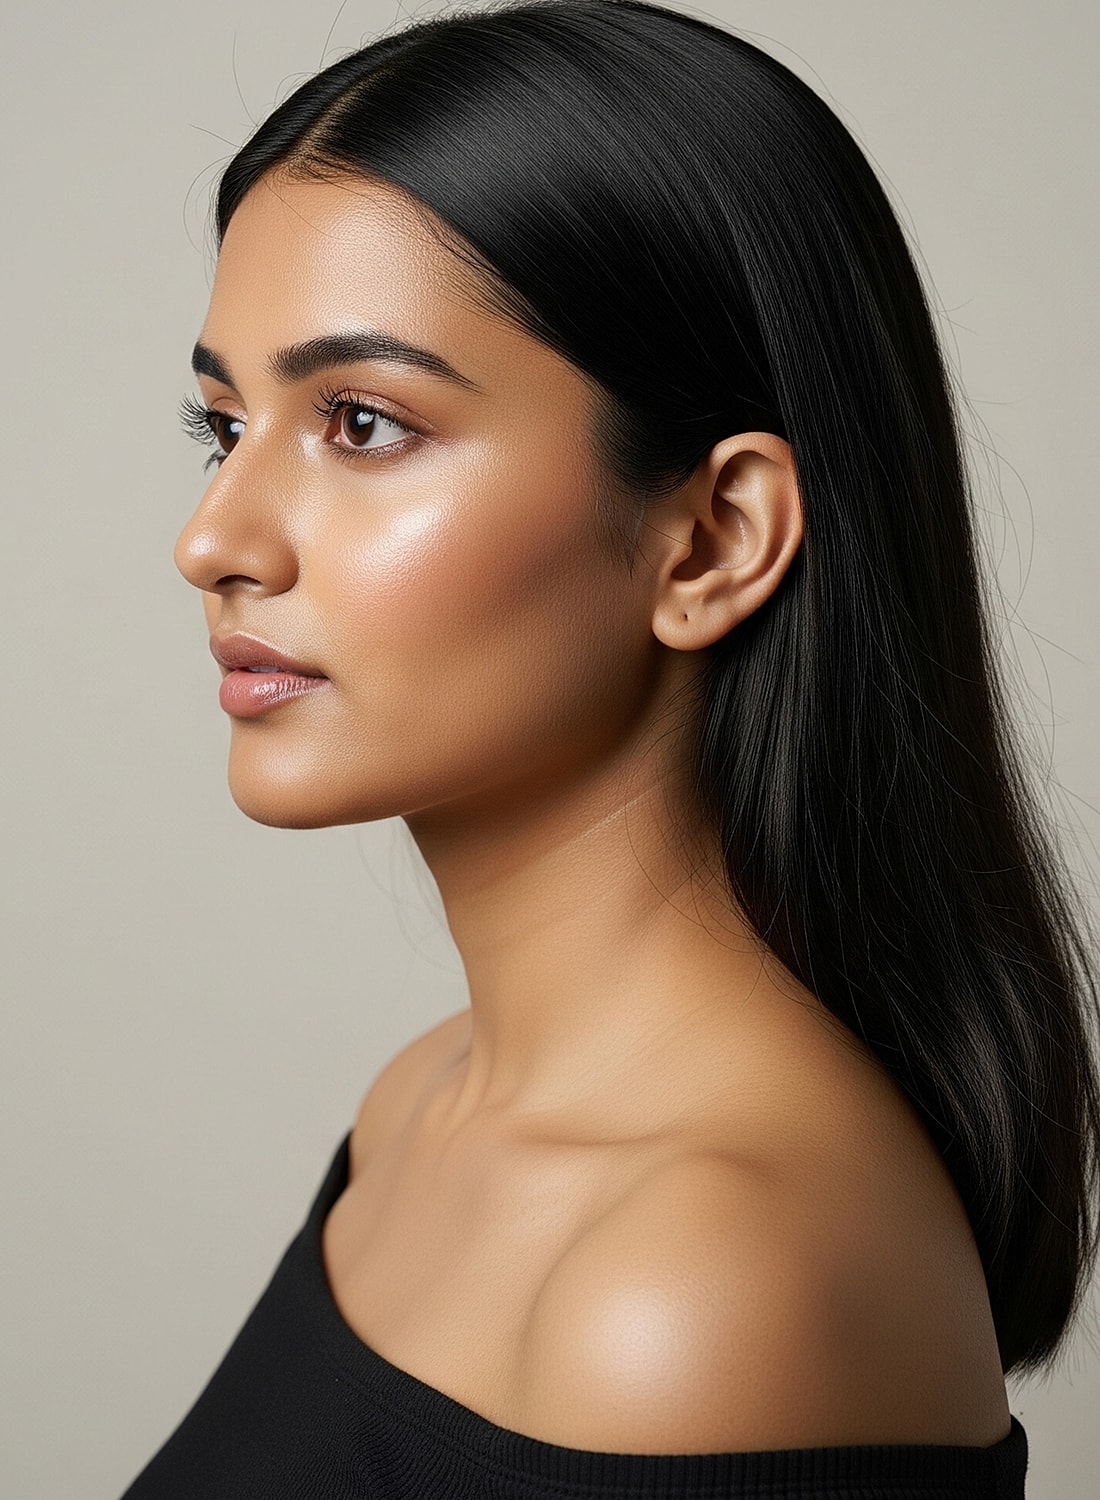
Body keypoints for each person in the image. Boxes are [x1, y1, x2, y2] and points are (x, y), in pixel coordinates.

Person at [121, 2, 1099, 1494]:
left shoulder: (702, 1290)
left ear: (713, 538)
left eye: (365, 423)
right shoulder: (419, 1110)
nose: (213, 540)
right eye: (223, 426)